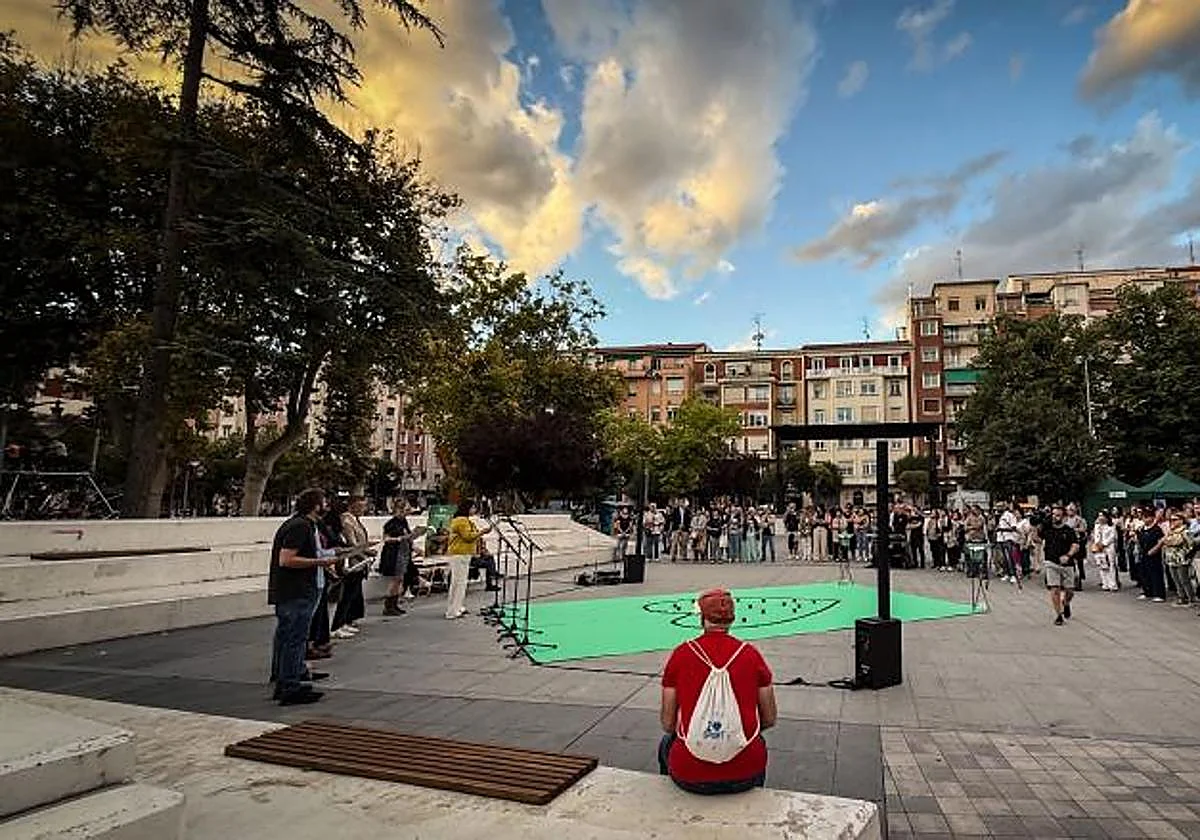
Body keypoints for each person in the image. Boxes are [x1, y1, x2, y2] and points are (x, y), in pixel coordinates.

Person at [658, 589, 777, 794]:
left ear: (702, 618)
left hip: (690, 776)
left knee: (666, 743)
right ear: (732, 619)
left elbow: (668, 724)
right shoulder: (751, 655)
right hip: (745, 775)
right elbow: (769, 719)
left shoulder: (682, 654)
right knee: (756, 744)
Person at [268, 488, 339, 705]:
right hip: (296, 591)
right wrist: (320, 562)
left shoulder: (304, 525)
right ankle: (290, 686)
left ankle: (288, 678)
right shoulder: (300, 526)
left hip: (297, 590)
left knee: (289, 637)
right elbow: (286, 559)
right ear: (315, 505)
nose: (327, 506)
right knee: (294, 639)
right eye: (324, 502)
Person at [446, 499, 492, 620]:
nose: (474, 510)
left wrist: (480, 533)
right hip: (459, 554)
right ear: (467, 508)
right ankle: (452, 611)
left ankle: (458, 606)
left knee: (460, 582)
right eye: (473, 507)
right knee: (458, 583)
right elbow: (468, 537)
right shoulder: (461, 520)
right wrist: (482, 532)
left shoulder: (465, 520)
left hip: (463, 554)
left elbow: (472, 534)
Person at [1039, 504, 1080, 626]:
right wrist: (1035, 527)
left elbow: (1075, 545)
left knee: (1070, 590)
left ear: (1063, 517)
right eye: (1053, 515)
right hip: (1051, 562)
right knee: (1055, 589)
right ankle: (1058, 615)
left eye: (1058, 515)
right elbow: (1037, 539)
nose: (1055, 517)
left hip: (1067, 564)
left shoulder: (1069, 530)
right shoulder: (1048, 529)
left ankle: (1066, 603)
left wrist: (1068, 555)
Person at [379, 498, 414, 616]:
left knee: (399, 579)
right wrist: (398, 539)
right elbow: (386, 538)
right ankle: (389, 605)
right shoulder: (391, 523)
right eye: (405, 510)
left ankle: (394, 603)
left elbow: (407, 534)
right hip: (394, 553)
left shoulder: (404, 522)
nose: (406, 513)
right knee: (395, 579)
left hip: (403, 552)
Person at [1090, 511, 1118, 592]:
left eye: (1102, 516)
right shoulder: (1097, 526)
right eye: (1099, 516)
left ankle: (1113, 584)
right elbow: (1095, 536)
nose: (1101, 518)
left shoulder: (1111, 526)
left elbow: (1112, 537)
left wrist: (1104, 544)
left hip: (1108, 547)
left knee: (1110, 565)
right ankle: (1105, 583)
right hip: (1098, 548)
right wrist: (1097, 543)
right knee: (1102, 565)